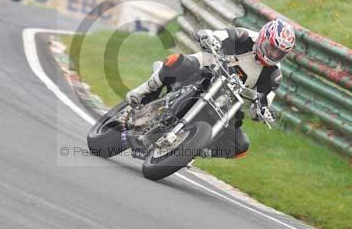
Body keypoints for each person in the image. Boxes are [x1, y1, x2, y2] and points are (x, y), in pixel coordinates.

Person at [126, 19, 296, 158]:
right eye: (271, 48)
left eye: (278, 53)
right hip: (206, 67)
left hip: (226, 96)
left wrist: (262, 111)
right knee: (176, 61)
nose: (273, 54)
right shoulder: (244, 36)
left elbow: (263, 101)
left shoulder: (274, 74)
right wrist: (208, 37)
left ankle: (189, 149)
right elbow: (214, 35)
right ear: (262, 38)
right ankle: (141, 92)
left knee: (240, 146)